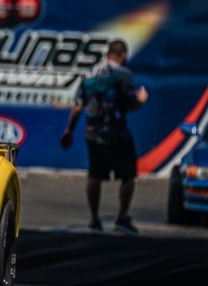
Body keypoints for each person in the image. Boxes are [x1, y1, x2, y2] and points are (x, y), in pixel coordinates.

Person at [60, 39, 148, 234]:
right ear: (123, 55)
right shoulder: (124, 74)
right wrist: (141, 100)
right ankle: (122, 218)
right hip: (118, 134)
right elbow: (130, 104)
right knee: (128, 176)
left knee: (95, 176)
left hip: (94, 133)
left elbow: (78, 106)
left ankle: (94, 219)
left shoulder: (89, 73)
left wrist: (69, 130)